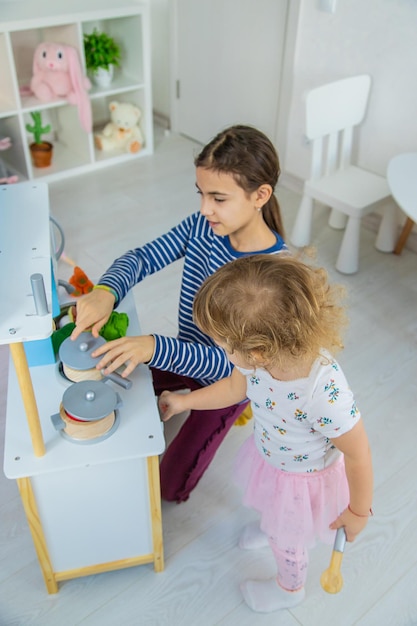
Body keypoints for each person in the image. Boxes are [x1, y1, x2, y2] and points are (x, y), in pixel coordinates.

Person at [70, 125, 288, 503]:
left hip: (227, 386)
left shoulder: (270, 276)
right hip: (186, 355)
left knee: (168, 488)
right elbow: (142, 257)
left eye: (218, 198)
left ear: (260, 195)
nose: (205, 208)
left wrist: (154, 348)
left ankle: (228, 415)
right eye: (201, 194)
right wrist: (107, 291)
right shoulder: (203, 226)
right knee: (112, 374)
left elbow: (233, 370)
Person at [159, 254, 373, 613]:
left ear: (257, 351)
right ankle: (272, 525)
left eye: (224, 346)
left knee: (286, 540)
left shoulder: (323, 391)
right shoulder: (256, 363)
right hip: (271, 456)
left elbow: (358, 452)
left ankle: (290, 588)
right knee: (268, 504)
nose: (223, 352)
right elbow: (233, 389)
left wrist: (359, 511)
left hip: (301, 480)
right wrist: (185, 402)